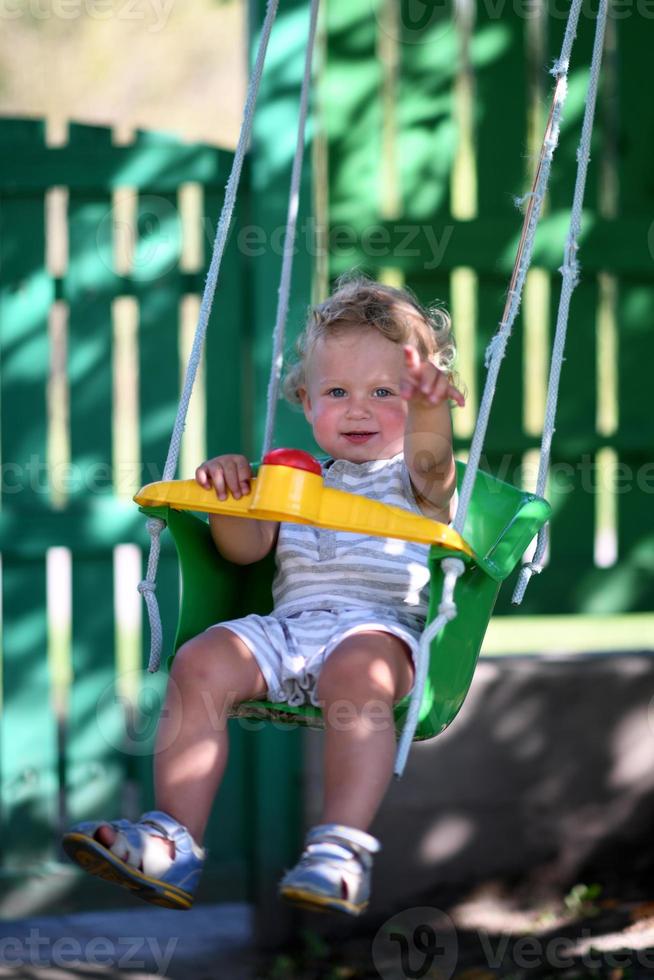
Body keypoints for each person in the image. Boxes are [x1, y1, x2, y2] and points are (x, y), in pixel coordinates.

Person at [62, 275, 464, 916]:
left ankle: (339, 848)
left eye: (385, 393)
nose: (357, 409)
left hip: (379, 631)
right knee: (199, 661)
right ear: (307, 402)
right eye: (337, 392)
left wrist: (429, 409)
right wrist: (232, 494)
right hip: (290, 628)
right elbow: (245, 552)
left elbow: (436, 461)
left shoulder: (418, 480)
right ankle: (174, 839)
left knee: (357, 673)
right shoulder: (294, 479)